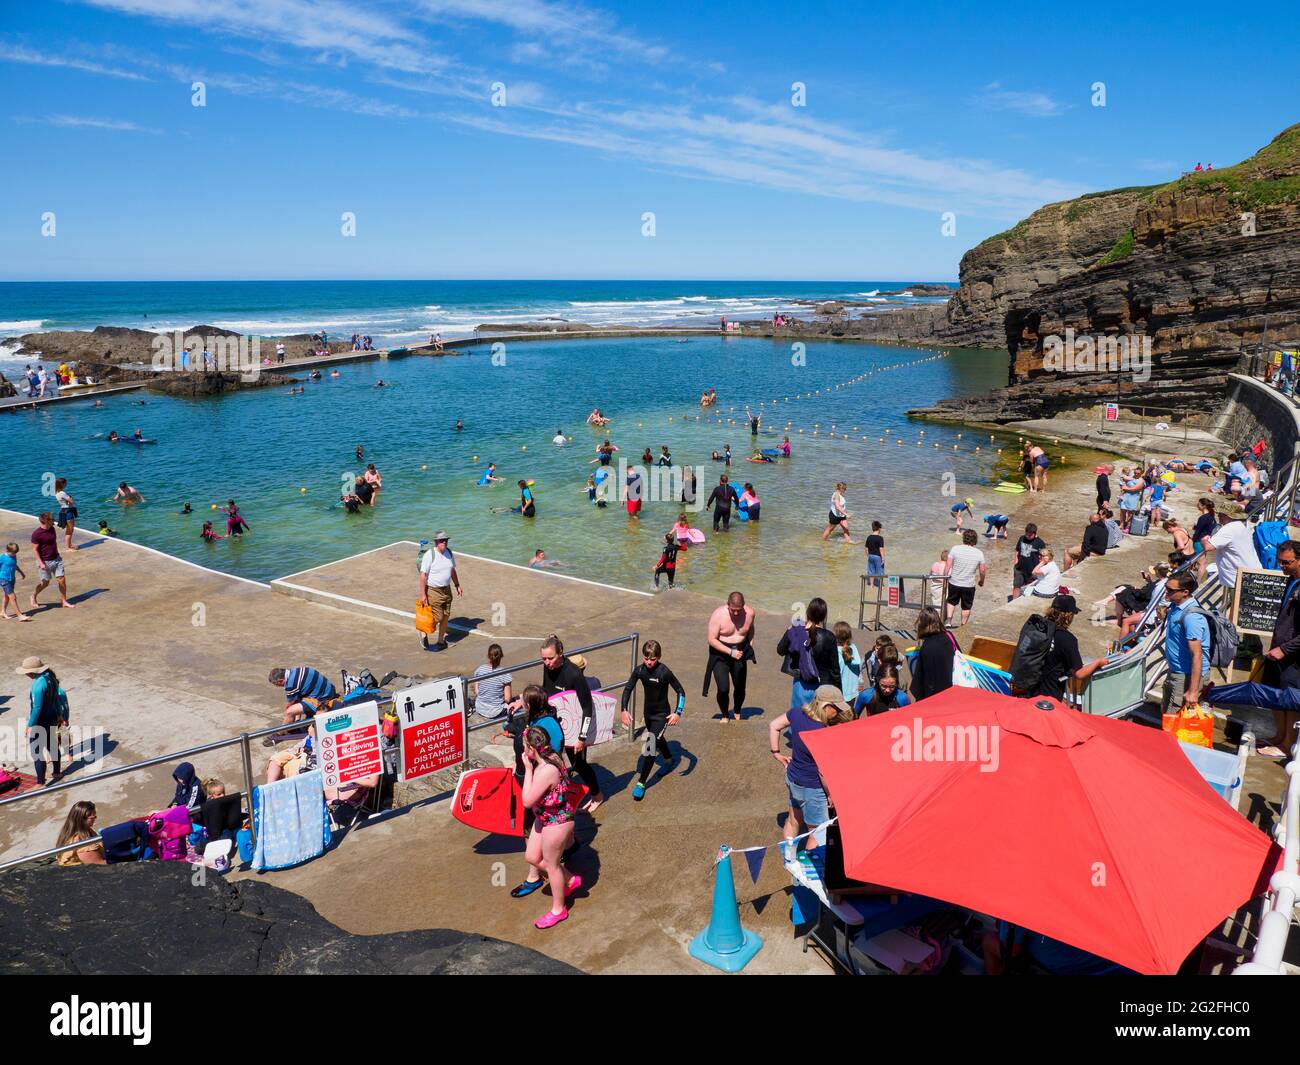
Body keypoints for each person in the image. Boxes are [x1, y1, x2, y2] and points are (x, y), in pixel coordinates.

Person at [769, 685, 853, 854]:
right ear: (825, 706)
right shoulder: (821, 732)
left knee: (793, 821)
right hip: (813, 788)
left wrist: (776, 753)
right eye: (836, 708)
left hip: (793, 778)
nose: (838, 712)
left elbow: (774, 725)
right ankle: (811, 871)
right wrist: (831, 794)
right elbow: (822, 771)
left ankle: (790, 858)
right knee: (817, 833)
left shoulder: (797, 712)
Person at [518, 721, 582, 929]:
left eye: (524, 746)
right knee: (531, 856)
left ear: (531, 749)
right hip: (545, 816)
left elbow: (527, 801)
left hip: (557, 821)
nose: (522, 749)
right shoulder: (551, 757)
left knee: (552, 866)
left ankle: (558, 909)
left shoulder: (544, 770)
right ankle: (570, 879)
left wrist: (527, 769)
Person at [539, 635, 603, 810]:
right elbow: (546, 692)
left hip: (575, 728)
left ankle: (597, 795)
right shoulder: (547, 668)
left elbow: (587, 708)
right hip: (555, 724)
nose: (547, 663)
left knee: (579, 764)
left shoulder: (574, 674)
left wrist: (582, 738)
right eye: (543, 658)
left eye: (550, 658)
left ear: (560, 654)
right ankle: (557, 796)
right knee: (551, 761)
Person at [620, 639, 685, 801]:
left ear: (659, 657)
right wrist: (624, 710)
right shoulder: (640, 671)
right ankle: (669, 759)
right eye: (646, 658)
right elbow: (628, 688)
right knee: (657, 738)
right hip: (648, 714)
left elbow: (680, 691)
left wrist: (678, 712)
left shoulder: (664, 672)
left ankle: (641, 783)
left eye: (653, 659)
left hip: (662, 715)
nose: (649, 662)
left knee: (650, 744)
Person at [1011, 595, 1106, 700]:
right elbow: (1079, 673)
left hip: (1029, 688)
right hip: (1049, 696)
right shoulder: (1068, 639)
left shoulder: (1038, 628)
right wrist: (1098, 662)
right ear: (1069, 616)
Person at [1260, 540, 1300, 757]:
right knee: (1273, 693)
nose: (1282, 567)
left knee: (1290, 699)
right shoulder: (1291, 580)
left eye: (1287, 563)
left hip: (1293, 656)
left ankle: (1287, 744)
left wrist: (1285, 649)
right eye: (1280, 562)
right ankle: (1279, 735)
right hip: (1278, 648)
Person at [777, 597, 841, 708]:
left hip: (801, 683)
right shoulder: (829, 637)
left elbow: (780, 650)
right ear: (824, 616)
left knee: (798, 719)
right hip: (822, 686)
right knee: (818, 721)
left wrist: (789, 631)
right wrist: (839, 694)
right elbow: (834, 670)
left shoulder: (796, 631)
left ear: (808, 613)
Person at [1162, 572, 1211, 713]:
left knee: (1174, 719)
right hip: (1176, 671)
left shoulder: (1192, 617)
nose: (1166, 592)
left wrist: (1193, 691)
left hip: (1186, 675)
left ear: (1185, 592)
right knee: (1168, 715)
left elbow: (1197, 655)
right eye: (1166, 587)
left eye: (1170, 590)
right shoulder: (1176, 606)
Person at [704, 591, 756, 722]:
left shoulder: (750, 613)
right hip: (720, 655)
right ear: (728, 605)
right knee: (723, 688)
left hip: (740, 652)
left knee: (739, 686)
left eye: (739, 610)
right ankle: (725, 714)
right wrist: (730, 652)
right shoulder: (718, 615)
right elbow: (711, 639)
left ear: (744, 606)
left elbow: (751, 629)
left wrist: (750, 643)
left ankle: (737, 710)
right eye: (733, 610)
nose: (736, 613)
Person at [19, 655, 67, 786]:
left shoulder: (37, 685)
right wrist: (60, 715)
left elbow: (37, 707)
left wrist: (30, 725)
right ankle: (56, 772)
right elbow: (56, 699)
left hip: (40, 722)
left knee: (37, 751)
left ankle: (40, 782)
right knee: (52, 747)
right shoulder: (51, 678)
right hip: (52, 718)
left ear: (31, 672)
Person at [419, 531, 463, 650]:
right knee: (437, 617)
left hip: (447, 590)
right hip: (434, 590)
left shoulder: (449, 552)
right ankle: (423, 632)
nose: (445, 542)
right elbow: (423, 575)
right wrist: (423, 594)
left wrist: (457, 585)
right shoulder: (430, 554)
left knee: (446, 615)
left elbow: (452, 570)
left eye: (446, 540)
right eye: (442, 540)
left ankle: (440, 641)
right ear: (436, 542)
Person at [1203, 502, 1260, 590]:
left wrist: (1204, 540)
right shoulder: (1243, 524)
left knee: (1237, 602)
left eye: (1221, 514)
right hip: (1249, 572)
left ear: (1229, 516)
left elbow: (1208, 547)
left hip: (1238, 578)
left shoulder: (1229, 528)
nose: (1218, 516)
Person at [267, 665, 337, 729]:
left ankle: (281, 732)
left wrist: (287, 713)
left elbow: (291, 704)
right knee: (298, 699)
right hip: (329, 690)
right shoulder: (298, 670)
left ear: (281, 681)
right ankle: (298, 723)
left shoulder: (291, 685)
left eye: (276, 684)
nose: (277, 686)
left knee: (289, 712)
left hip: (323, 699)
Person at [30, 513, 73, 611]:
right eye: (52, 520)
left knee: (62, 580)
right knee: (45, 583)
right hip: (45, 561)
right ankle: (33, 596)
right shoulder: (36, 534)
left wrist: (57, 554)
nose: (54, 521)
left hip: (56, 558)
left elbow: (53, 543)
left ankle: (64, 601)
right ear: (46, 521)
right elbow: (35, 550)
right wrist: (41, 563)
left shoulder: (52, 529)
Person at [909, 607, 955, 702]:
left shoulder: (928, 647)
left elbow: (928, 680)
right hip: (950, 692)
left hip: (935, 698)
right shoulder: (948, 636)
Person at [944, 529, 987, 629]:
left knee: (951, 601)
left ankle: (948, 621)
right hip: (968, 585)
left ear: (964, 538)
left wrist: (945, 578)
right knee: (966, 606)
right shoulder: (979, 553)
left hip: (954, 582)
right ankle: (963, 625)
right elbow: (982, 571)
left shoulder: (955, 549)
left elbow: (948, 566)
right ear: (975, 540)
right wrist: (981, 581)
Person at [55, 801, 107, 866]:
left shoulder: (81, 831)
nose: (95, 819)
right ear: (82, 818)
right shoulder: (81, 840)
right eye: (92, 817)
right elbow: (98, 864)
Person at [470, 644, 512, 722]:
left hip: (480, 708)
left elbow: (477, 691)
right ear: (501, 656)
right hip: (495, 712)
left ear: (488, 656)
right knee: (517, 702)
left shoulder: (480, 669)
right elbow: (507, 699)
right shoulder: (505, 674)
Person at [1010, 523, 1045, 600]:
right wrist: (1016, 561)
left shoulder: (1040, 543)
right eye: (1026, 534)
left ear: (1034, 533)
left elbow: (1044, 558)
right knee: (1016, 586)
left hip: (1032, 571)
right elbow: (1017, 550)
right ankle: (1013, 602)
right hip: (1019, 569)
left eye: (1029, 535)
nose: (1027, 536)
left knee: (1028, 589)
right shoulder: (1022, 538)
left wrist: (1038, 569)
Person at [832, 620, 862, 702]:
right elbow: (858, 670)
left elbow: (835, 674)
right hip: (852, 692)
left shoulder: (835, 652)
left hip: (839, 694)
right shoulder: (854, 648)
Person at [1, 542, 30, 621]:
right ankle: (20, 615)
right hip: (4, 579)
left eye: (15, 553)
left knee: (7, 596)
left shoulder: (14, 556)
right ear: (7, 550)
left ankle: (3, 612)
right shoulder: (2, 557)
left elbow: (14, 565)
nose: (13, 555)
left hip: (12, 579)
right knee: (13, 597)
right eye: (12, 553)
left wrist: (21, 572)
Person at [54, 478, 78, 552]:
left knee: (69, 530)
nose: (66, 484)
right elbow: (72, 502)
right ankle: (68, 547)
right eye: (65, 483)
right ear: (62, 484)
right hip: (68, 511)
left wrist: (68, 501)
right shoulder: (62, 493)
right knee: (70, 530)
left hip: (63, 511)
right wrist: (70, 498)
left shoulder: (57, 493)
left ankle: (69, 545)